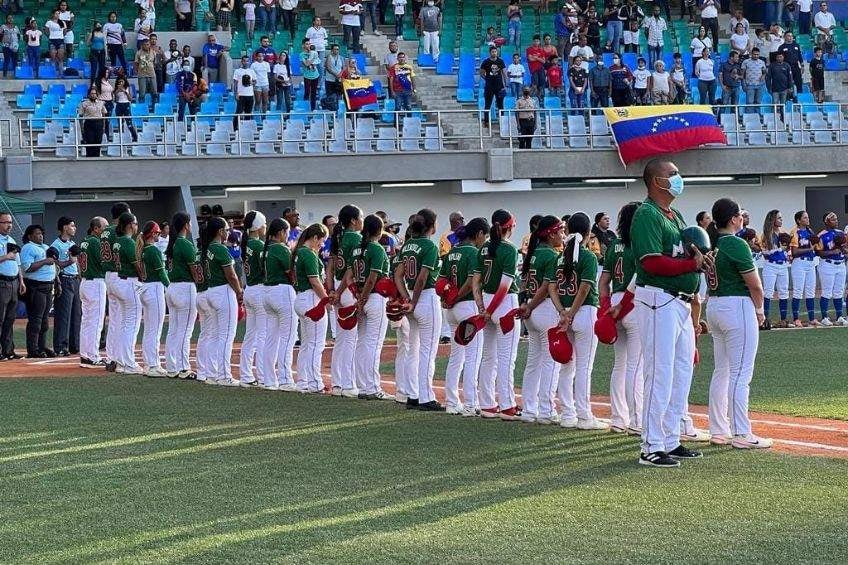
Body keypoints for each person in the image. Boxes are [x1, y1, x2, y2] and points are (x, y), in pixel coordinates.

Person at [631, 159, 714, 467]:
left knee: (681, 370)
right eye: (673, 174)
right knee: (660, 371)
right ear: (656, 181)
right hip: (658, 298)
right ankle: (650, 445)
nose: (679, 178)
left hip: (678, 301)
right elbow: (650, 262)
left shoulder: (675, 215)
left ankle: (669, 438)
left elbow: (684, 254)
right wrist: (690, 266)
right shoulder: (647, 214)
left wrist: (700, 260)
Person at [705, 197, 771, 449]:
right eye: (740, 214)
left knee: (722, 371)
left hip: (716, 304)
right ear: (733, 218)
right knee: (741, 372)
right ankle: (741, 433)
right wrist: (760, 310)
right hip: (736, 305)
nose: (742, 218)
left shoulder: (712, 244)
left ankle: (719, 430)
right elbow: (755, 285)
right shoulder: (736, 244)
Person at [547, 213, 606, 430]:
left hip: (565, 315)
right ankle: (584, 415)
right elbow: (585, 288)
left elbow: (552, 287)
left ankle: (567, 414)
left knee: (567, 367)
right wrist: (571, 312)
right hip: (584, 313)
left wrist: (563, 311)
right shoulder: (588, 256)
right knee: (583, 368)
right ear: (589, 232)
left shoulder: (559, 257)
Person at [598, 202, 642, 434]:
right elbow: (638, 279)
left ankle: (618, 418)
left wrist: (607, 307)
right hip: (633, 304)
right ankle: (636, 421)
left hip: (615, 300)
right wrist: (621, 306)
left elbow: (603, 282)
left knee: (620, 365)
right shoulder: (641, 242)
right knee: (635, 365)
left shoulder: (614, 243)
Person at [473, 209, 521, 420]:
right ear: (509, 227)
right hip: (504, 305)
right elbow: (505, 285)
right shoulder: (509, 249)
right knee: (506, 358)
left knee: (489, 356)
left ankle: (486, 404)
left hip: (486, 300)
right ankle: (507, 406)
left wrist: (482, 308)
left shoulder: (483, 248)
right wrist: (490, 310)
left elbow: (476, 281)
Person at [438, 217, 489, 416]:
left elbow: (441, 281)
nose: (484, 238)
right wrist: (456, 297)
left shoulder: (452, 252)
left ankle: (452, 402)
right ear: (478, 234)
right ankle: (470, 404)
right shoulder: (474, 252)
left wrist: (447, 298)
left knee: (456, 356)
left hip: (451, 310)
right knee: (472, 357)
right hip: (467, 305)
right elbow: (471, 281)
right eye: (484, 235)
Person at [395, 208, 443, 411]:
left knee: (412, 349)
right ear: (431, 225)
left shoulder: (407, 245)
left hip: (413, 298)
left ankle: (412, 395)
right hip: (426, 298)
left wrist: (406, 298)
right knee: (427, 351)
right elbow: (423, 277)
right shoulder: (430, 246)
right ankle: (426, 397)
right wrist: (413, 300)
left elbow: (397, 275)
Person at [517, 216, 563, 424]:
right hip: (543, 309)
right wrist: (531, 306)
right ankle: (546, 410)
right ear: (551, 233)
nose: (562, 234)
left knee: (533, 362)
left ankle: (529, 409)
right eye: (560, 230)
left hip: (531, 309)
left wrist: (526, 304)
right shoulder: (551, 255)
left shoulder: (533, 253)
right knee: (549, 362)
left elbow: (525, 282)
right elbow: (546, 287)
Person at [350, 215, 393, 400]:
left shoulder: (356, 248)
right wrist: (363, 298)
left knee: (363, 342)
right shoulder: (376, 248)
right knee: (373, 344)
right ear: (379, 229)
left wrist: (359, 298)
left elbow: (351, 276)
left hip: (362, 296)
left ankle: (363, 386)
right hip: (374, 298)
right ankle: (372, 387)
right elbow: (372, 278)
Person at [199, 216, 243, 386]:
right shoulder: (220, 249)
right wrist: (239, 291)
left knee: (217, 335)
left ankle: (211, 373)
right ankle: (223, 375)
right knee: (225, 336)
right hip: (222, 291)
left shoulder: (209, 247)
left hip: (211, 291)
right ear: (220, 231)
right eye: (226, 229)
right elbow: (231, 275)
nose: (228, 232)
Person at [327, 205, 362, 397]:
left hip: (339, 287)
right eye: (360, 217)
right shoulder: (356, 238)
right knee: (350, 338)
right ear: (353, 220)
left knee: (341, 338)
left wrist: (332, 289)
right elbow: (351, 268)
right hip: (347, 289)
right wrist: (339, 291)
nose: (362, 221)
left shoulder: (338, 237)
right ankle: (348, 384)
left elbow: (330, 265)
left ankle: (337, 382)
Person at [293, 223, 332, 393]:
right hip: (310, 299)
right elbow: (315, 281)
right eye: (321, 240)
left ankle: (304, 382)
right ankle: (314, 383)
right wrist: (326, 300)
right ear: (315, 237)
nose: (322, 244)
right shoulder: (307, 253)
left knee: (307, 344)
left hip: (302, 298)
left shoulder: (299, 251)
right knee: (316, 344)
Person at [261, 218, 298, 391]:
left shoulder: (266, 248)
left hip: (267, 292)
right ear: (282, 232)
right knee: (288, 337)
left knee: (271, 338)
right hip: (282, 292)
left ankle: (269, 379)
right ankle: (285, 379)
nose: (288, 234)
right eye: (287, 231)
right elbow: (291, 273)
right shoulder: (281, 248)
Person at [164, 212, 200, 379]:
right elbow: (195, 271)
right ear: (186, 225)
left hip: (172, 288)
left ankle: (172, 367)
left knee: (173, 330)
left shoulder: (173, 243)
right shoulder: (185, 244)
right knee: (185, 331)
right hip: (185, 288)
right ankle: (184, 367)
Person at [110, 212, 143, 374]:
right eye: (135, 223)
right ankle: (128, 363)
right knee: (131, 324)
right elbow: (138, 266)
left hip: (119, 281)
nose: (137, 226)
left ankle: (122, 361)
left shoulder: (117, 241)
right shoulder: (128, 242)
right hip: (129, 282)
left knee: (124, 324)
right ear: (130, 225)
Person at [237, 211, 267, 387]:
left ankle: (246, 374)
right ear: (257, 226)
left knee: (251, 335)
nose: (265, 227)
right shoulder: (258, 245)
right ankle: (263, 376)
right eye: (263, 224)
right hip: (259, 290)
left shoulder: (247, 244)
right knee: (262, 335)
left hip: (250, 290)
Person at [137, 221, 168, 377]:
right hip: (154, 288)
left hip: (146, 287)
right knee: (154, 330)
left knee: (150, 329)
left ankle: (149, 363)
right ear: (153, 234)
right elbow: (162, 274)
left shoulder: (143, 250)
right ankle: (153, 364)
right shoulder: (153, 250)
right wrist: (171, 288)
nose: (159, 234)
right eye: (157, 232)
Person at [20, 225, 56, 359]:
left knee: (45, 320)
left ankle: (41, 346)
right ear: (30, 236)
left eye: (41, 233)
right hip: (36, 286)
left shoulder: (45, 247)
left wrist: (56, 281)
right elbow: (28, 267)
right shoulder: (28, 247)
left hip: (48, 285)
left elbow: (53, 265)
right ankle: (33, 348)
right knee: (36, 319)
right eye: (37, 234)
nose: (40, 236)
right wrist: (45, 261)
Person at [78, 216, 107, 368]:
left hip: (85, 282)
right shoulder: (96, 242)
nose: (106, 229)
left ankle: (85, 354)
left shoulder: (84, 241)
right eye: (104, 226)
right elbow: (103, 262)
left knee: (87, 321)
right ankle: (93, 356)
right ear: (96, 228)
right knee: (95, 322)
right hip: (95, 282)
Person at [50, 216, 80, 357]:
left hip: (74, 280)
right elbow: (55, 264)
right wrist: (70, 262)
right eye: (72, 225)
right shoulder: (56, 245)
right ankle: (60, 346)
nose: (74, 228)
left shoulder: (72, 243)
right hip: (64, 279)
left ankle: (75, 345)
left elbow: (76, 263)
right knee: (63, 315)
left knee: (76, 314)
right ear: (64, 227)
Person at [758, 210, 789, 329]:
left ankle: (783, 319)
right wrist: (780, 249)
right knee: (768, 292)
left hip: (782, 265)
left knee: (784, 291)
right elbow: (765, 253)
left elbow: (786, 250)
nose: (781, 220)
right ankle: (765, 320)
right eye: (779, 218)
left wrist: (786, 253)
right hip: (770, 265)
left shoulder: (783, 233)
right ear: (773, 220)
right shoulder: (767, 234)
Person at [815, 212, 847, 326]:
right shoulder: (821, 235)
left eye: (836, 219)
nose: (836, 221)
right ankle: (824, 317)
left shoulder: (841, 233)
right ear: (826, 222)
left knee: (839, 292)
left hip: (841, 264)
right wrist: (833, 251)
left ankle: (839, 317)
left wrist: (844, 250)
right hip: (827, 265)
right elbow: (818, 252)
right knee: (827, 291)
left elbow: (845, 248)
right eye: (833, 220)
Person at [789, 210, 818, 327]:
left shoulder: (810, 231)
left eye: (807, 217)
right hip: (799, 263)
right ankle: (796, 319)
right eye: (805, 218)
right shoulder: (795, 231)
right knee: (798, 291)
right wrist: (809, 249)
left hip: (810, 263)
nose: (807, 219)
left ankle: (812, 318)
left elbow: (814, 246)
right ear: (798, 220)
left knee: (811, 291)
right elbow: (794, 252)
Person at [479, 46, 507, 127]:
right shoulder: (486, 62)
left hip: (499, 86)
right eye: (492, 52)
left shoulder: (500, 61)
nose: (494, 53)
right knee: (487, 104)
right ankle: (486, 122)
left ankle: (502, 121)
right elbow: (481, 73)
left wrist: (505, 84)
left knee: (500, 105)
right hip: (489, 87)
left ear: (497, 52)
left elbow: (504, 73)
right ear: (490, 52)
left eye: (495, 51)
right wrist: (487, 78)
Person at [79, 86, 107, 157]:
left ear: (97, 94)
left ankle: (97, 157)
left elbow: (104, 114)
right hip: (89, 123)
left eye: (94, 93)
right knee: (90, 141)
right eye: (92, 93)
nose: (93, 95)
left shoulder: (101, 103)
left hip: (98, 123)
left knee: (98, 141)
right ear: (89, 95)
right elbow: (80, 116)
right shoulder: (84, 103)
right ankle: (89, 158)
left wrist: (103, 126)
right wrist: (82, 127)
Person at [232, 55, 256, 129]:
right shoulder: (237, 71)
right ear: (242, 62)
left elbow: (255, 81)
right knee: (238, 112)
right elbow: (235, 83)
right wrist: (236, 94)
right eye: (244, 61)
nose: (246, 62)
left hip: (250, 95)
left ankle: (246, 128)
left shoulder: (251, 71)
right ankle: (235, 128)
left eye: (247, 61)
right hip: (241, 95)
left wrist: (251, 83)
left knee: (248, 113)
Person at [776, 32, 802, 100]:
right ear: (784, 37)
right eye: (788, 36)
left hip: (796, 66)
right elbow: (779, 58)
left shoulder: (796, 45)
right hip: (786, 67)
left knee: (798, 82)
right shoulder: (781, 47)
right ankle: (787, 98)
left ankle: (799, 98)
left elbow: (799, 55)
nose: (790, 37)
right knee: (787, 83)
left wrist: (802, 65)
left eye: (791, 36)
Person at [113, 76, 139, 143]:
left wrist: (125, 92)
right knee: (120, 123)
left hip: (126, 104)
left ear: (124, 81)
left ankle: (135, 137)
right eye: (119, 82)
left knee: (129, 123)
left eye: (122, 81)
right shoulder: (116, 89)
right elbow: (115, 100)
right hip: (119, 105)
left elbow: (130, 99)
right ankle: (121, 138)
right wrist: (116, 92)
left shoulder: (128, 88)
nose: (121, 83)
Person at [305, 16, 328, 89]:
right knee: (313, 65)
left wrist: (324, 44)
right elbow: (307, 39)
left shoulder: (323, 30)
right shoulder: (310, 30)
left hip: (321, 49)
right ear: (314, 22)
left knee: (320, 66)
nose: (319, 22)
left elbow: (325, 39)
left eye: (320, 20)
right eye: (317, 20)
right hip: (313, 50)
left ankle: (320, 83)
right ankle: (312, 81)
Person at [741, 48, 767, 112]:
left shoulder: (762, 62)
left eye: (757, 54)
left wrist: (763, 76)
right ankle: (748, 117)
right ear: (751, 54)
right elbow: (742, 74)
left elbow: (764, 72)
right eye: (754, 54)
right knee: (749, 102)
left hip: (760, 85)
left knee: (758, 102)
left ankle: (757, 116)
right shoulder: (746, 62)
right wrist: (743, 84)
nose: (756, 56)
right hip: (750, 85)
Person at [641, 5, 666, 70]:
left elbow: (663, 31)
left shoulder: (663, 20)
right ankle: (652, 73)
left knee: (660, 60)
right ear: (653, 11)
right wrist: (649, 39)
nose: (657, 12)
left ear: (659, 11)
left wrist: (660, 37)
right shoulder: (649, 20)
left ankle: (659, 73)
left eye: (658, 10)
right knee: (652, 59)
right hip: (651, 42)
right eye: (655, 10)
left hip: (660, 42)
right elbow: (646, 31)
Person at [300, 38, 320, 112]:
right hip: (307, 76)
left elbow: (317, 62)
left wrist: (313, 56)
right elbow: (306, 64)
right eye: (306, 44)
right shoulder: (302, 55)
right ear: (303, 46)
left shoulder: (314, 52)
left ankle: (313, 109)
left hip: (315, 75)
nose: (308, 45)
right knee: (307, 92)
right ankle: (305, 108)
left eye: (309, 44)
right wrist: (312, 57)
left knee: (314, 93)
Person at [526, 35, 547, 101]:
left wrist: (536, 57)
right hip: (533, 69)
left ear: (539, 42)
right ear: (533, 42)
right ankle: (530, 97)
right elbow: (530, 59)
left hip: (541, 69)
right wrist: (539, 58)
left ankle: (540, 96)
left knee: (542, 82)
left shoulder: (541, 50)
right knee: (535, 83)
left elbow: (543, 61)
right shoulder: (529, 49)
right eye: (535, 41)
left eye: (537, 41)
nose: (536, 42)